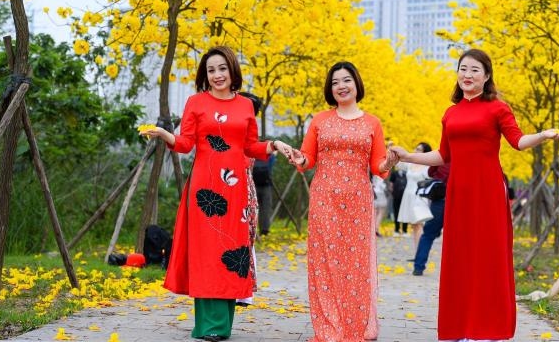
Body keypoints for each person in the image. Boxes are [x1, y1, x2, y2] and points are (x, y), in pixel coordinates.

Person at [391, 48, 559, 341]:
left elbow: (518, 141)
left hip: (487, 192)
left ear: (486, 76)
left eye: (474, 70)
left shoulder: (498, 108)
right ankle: (460, 328)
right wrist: (407, 156)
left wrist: (543, 135)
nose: (467, 75)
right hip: (459, 192)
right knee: (459, 257)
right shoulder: (451, 113)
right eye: (463, 69)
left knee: (488, 257)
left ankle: (488, 330)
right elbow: (443, 154)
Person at [141, 46, 294, 342]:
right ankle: (210, 325)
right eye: (211, 70)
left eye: (222, 68)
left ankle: (221, 324)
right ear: (205, 75)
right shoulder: (196, 102)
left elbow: (250, 147)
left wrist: (273, 144)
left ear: (232, 70)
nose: (217, 75)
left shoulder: (245, 106)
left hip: (236, 190)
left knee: (230, 252)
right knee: (206, 253)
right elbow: (185, 144)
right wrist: (164, 135)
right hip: (204, 189)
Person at [289, 61, 397, 342]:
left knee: (356, 265)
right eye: (335, 82)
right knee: (325, 262)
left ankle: (356, 326)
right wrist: (298, 158)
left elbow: (378, 167)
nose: (341, 86)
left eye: (346, 80)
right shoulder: (320, 120)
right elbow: (307, 159)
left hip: (358, 201)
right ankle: (329, 327)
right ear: (330, 88)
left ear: (356, 83)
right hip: (324, 199)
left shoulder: (372, 122)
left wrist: (391, 161)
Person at [239, 91, 275, 237]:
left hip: (247, 188)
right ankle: (263, 230)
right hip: (248, 189)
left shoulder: (250, 139)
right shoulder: (251, 138)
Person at [412, 162, 449, 276]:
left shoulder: (444, 157)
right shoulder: (466, 158)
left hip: (439, 201)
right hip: (457, 201)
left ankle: (418, 267)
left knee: (428, 235)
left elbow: (430, 172)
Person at [397, 142, 433, 256]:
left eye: (419, 149)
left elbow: (431, 180)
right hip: (408, 195)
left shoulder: (427, 167)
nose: (416, 151)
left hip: (419, 197)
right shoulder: (410, 164)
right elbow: (398, 164)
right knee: (414, 225)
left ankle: (420, 253)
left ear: (424, 152)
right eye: (416, 148)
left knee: (419, 224)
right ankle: (417, 252)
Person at [389, 163, 408, 236]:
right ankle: (396, 230)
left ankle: (405, 230)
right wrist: (392, 192)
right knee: (396, 212)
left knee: (405, 212)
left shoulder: (406, 174)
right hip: (396, 196)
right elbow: (391, 185)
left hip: (405, 197)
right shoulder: (394, 174)